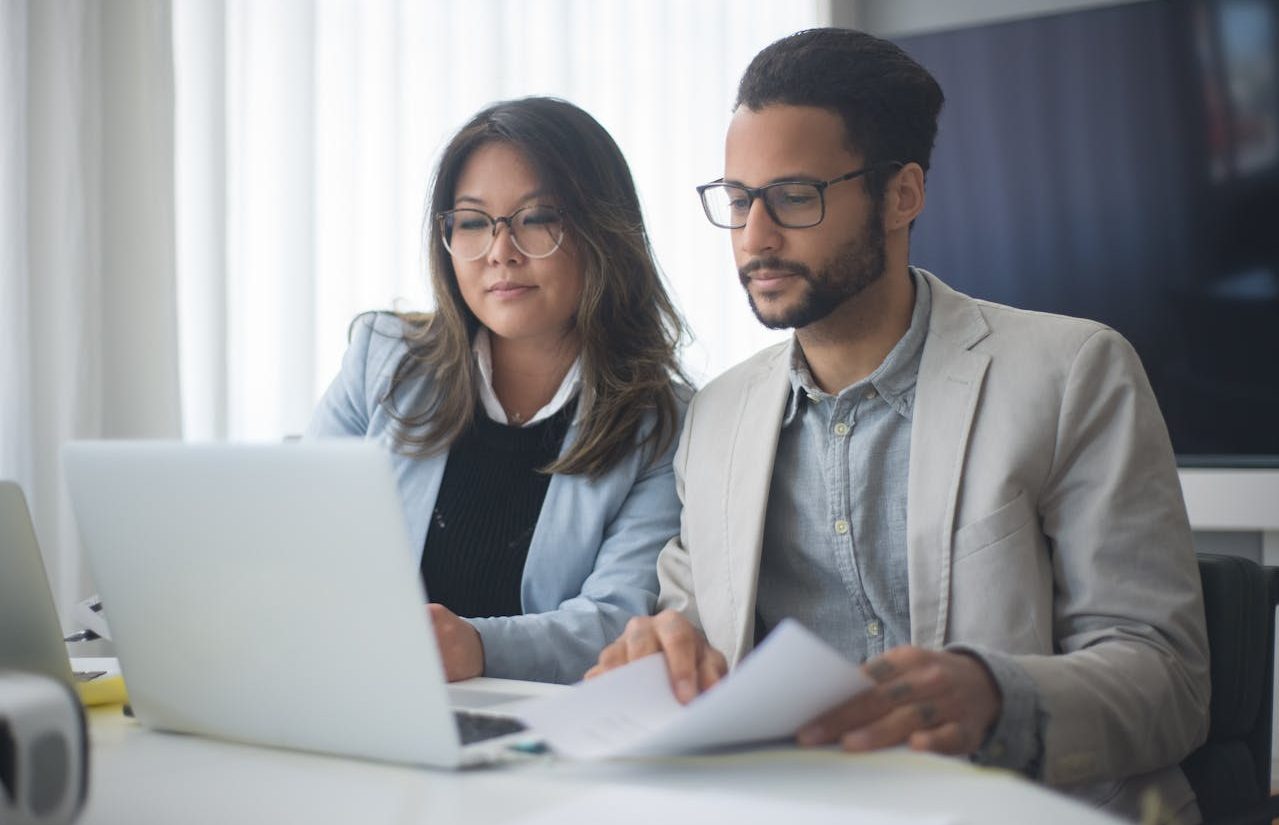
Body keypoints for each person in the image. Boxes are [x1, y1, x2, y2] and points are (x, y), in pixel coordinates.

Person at [589, 28, 1210, 822]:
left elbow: (1171, 681)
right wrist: (655, 655)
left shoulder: (1072, 372)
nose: (754, 237)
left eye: (794, 196)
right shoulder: (716, 416)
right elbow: (689, 626)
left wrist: (996, 695)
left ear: (901, 195)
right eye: (738, 200)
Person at [308, 96, 689, 685]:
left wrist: (479, 646)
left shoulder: (661, 424)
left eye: (537, 218)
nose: (500, 252)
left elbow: (618, 622)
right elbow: (298, 542)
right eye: (473, 221)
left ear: (603, 231)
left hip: (537, 736)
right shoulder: (381, 360)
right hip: (358, 696)